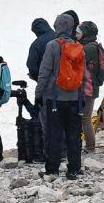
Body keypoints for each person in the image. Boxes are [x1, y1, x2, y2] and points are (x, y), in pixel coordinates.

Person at [38, 17, 89, 179]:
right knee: (74, 134)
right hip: (75, 98)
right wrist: (82, 96)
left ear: (57, 27)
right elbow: (84, 75)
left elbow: (44, 73)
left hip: (55, 99)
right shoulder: (79, 47)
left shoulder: (52, 46)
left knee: (54, 134)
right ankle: (74, 168)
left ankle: (52, 168)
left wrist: (38, 94)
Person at [80, 21, 104, 153]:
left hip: (87, 88)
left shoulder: (87, 48)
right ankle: (89, 146)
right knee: (86, 117)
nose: (77, 34)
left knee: (85, 118)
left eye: (79, 32)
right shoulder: (95, 46)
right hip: (92, 87)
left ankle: (90, 147)